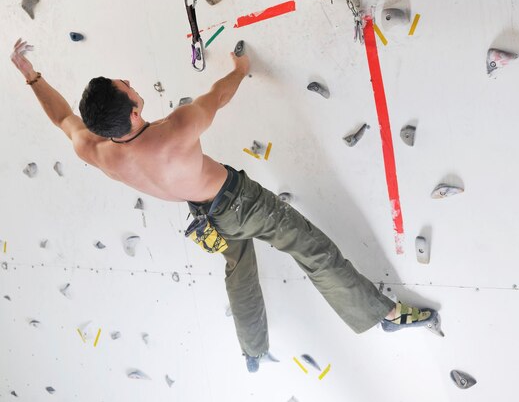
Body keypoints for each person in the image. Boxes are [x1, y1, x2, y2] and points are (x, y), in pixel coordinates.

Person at [11, 38, 442, 372]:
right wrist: (240, 69)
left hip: (205, 220)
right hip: (241, 203)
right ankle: (385, 314)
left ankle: (253, 352)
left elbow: (62, 118)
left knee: (240, 274)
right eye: (125, 85)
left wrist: (32, 76)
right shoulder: (175, 130)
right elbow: (218, 95)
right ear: (134, 113)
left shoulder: (97, 151)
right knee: (314, 251)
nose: (127, 80)